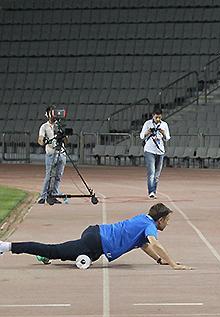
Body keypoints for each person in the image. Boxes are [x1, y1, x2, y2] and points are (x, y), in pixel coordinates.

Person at [0, 203, 191, 270]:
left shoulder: (144, 219)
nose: (168, 224)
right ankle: (7, 246)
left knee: (82, 257)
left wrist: (159, 260)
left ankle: (46, 255)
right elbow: (154, 243)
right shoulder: (150, 226)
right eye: (167, 220)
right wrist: (173, 264)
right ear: (160, 220)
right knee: (55, 250)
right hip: (96, 240)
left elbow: (145, 245)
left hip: (96, 238)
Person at [37, 105, 66, 204]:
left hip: (61, 153)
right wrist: (44, 142)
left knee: (58, 176)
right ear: (47, 114)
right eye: (51, 112)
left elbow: (66, 141)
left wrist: (63, 134)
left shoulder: (59, 126)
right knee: (49, 176)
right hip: (51, 153)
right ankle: (43, 196)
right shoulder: (44, 126)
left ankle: (54, 195)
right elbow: (40, 139)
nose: (53, 115)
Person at [140, 107, 170, 199]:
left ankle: (154, 190)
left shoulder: (164, 124)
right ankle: (151, 192)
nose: (158, 119)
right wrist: (147, 132)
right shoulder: (147, 123)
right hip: (149, 150)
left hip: (160, 151)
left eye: (159, 117)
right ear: (153, 115)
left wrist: (163, 133)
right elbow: (141, 136)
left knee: (157, 174)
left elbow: (167, 138)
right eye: (156, 117)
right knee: (151, 172)